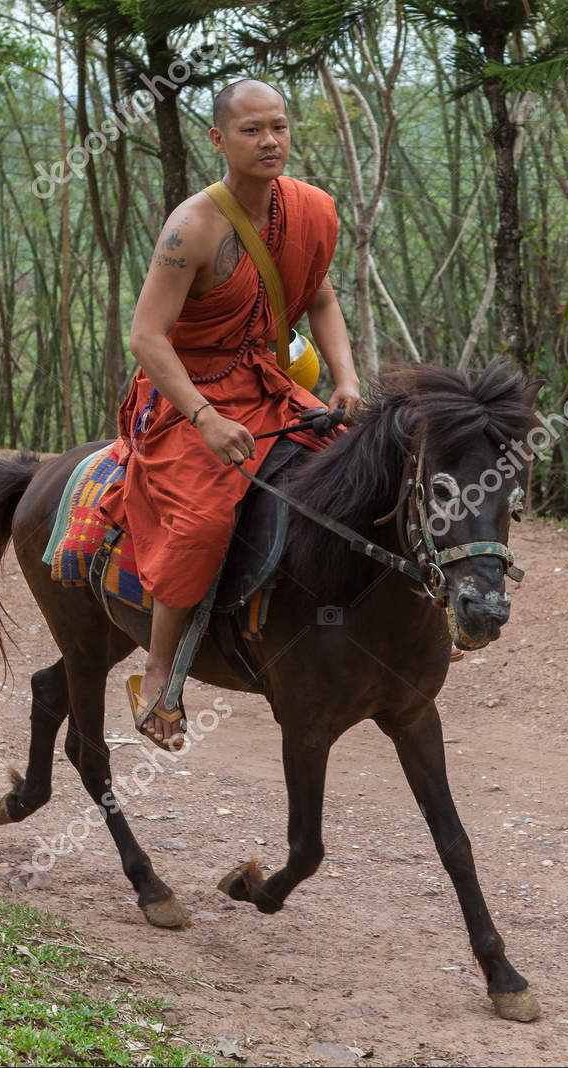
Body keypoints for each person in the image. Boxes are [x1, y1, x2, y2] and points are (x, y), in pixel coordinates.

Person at [96, 78, 363, 750]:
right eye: (251, 130)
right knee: (205, 515)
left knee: (360, 464)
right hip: (187, 396)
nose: (269, 140)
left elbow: (323, 301)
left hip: (270, 383)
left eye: (278, 126)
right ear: (218, 140)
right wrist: (205, 419)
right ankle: (160, 673)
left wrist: (347, 378)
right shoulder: (192, 227)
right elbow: (146, 337)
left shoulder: (305, 211)